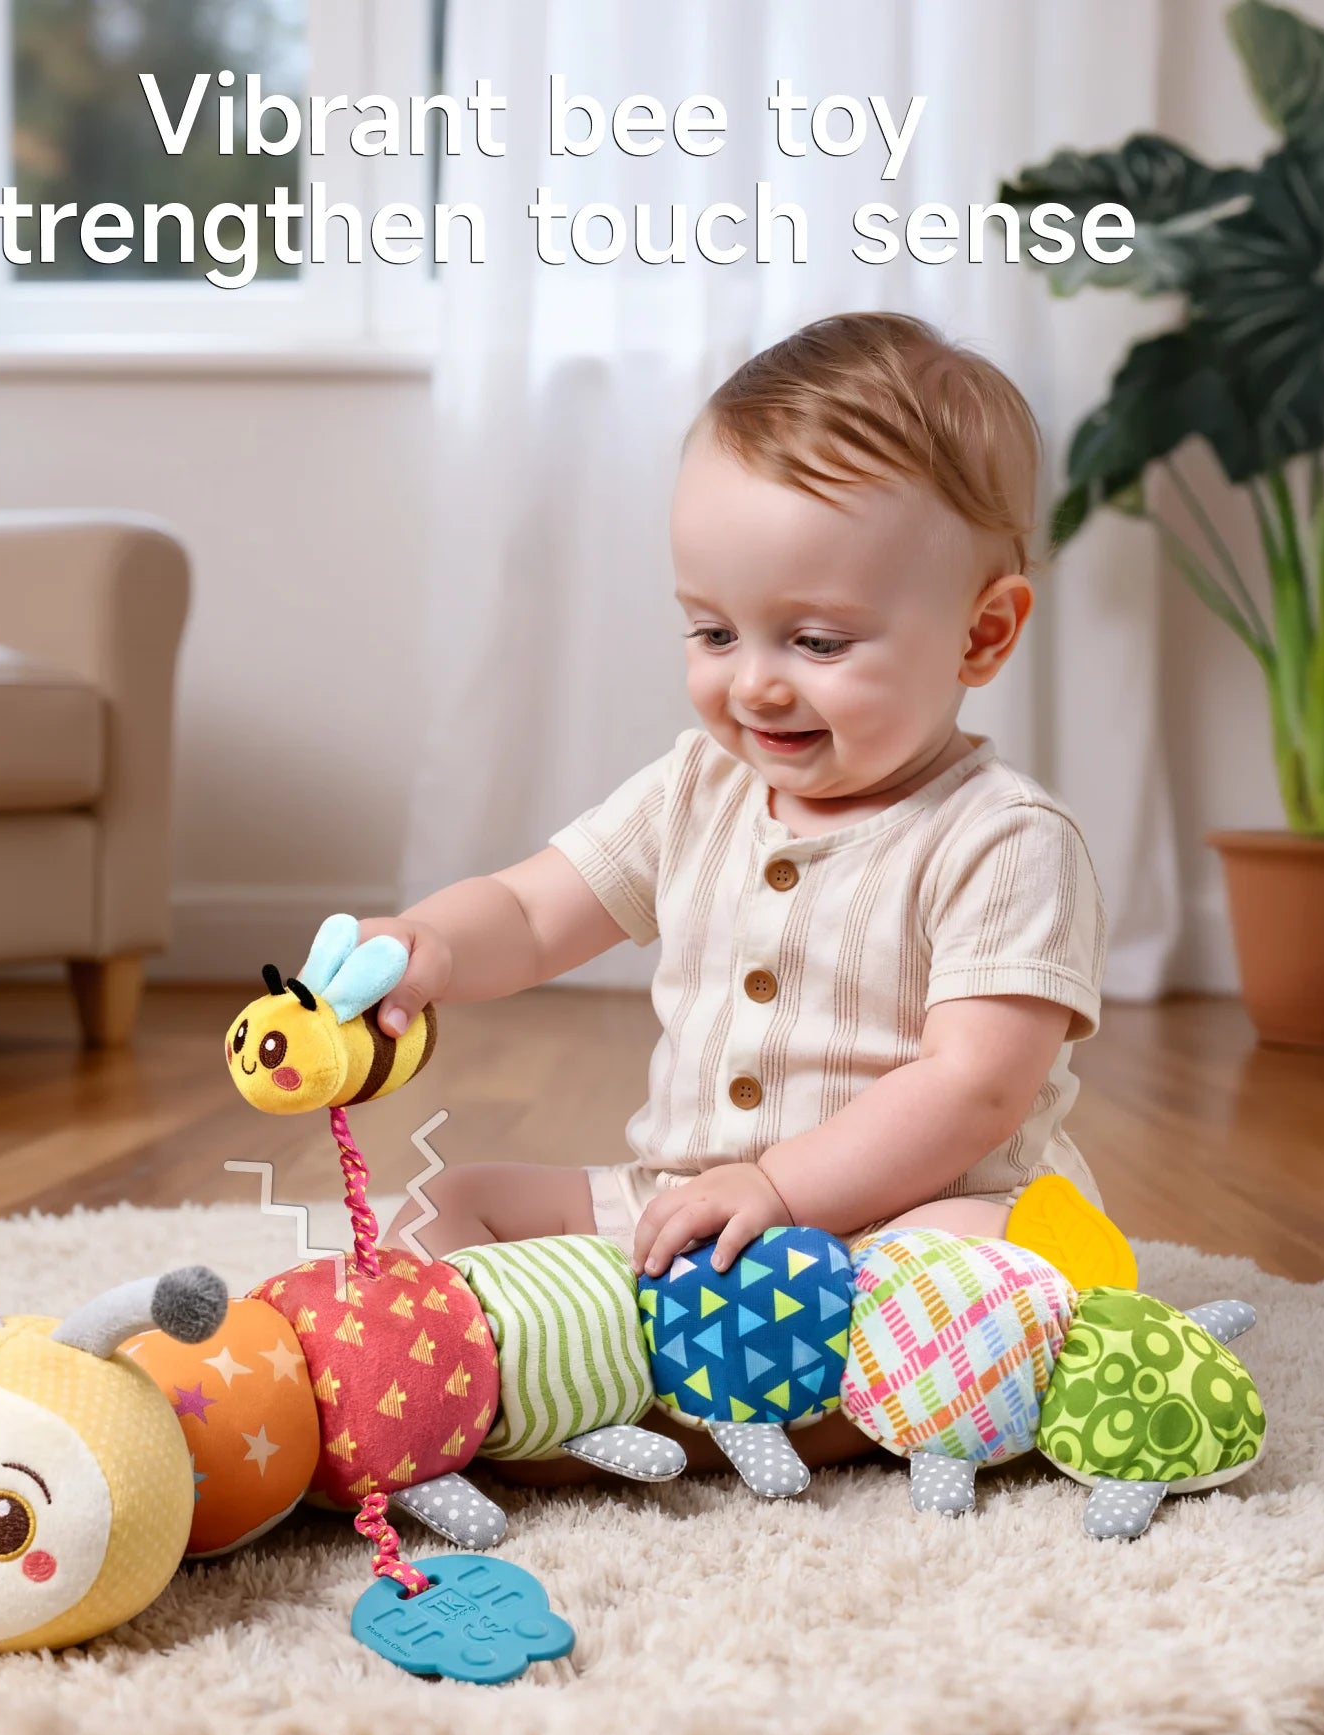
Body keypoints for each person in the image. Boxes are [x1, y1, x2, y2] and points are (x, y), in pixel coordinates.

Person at [360, 313, 1120, 1468]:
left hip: (894, 1222)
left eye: (816, 642)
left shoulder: (1004, 839)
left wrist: (780, 1183)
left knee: (993, 1264)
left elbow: (975, 1089)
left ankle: (718, 1392)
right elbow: (529, 910)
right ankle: (432, 1371)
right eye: (713, 631)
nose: (754, 685)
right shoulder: (697, 788)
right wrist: (428, 947)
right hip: (685, 1210)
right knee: (453, 1202)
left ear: (983, 633)